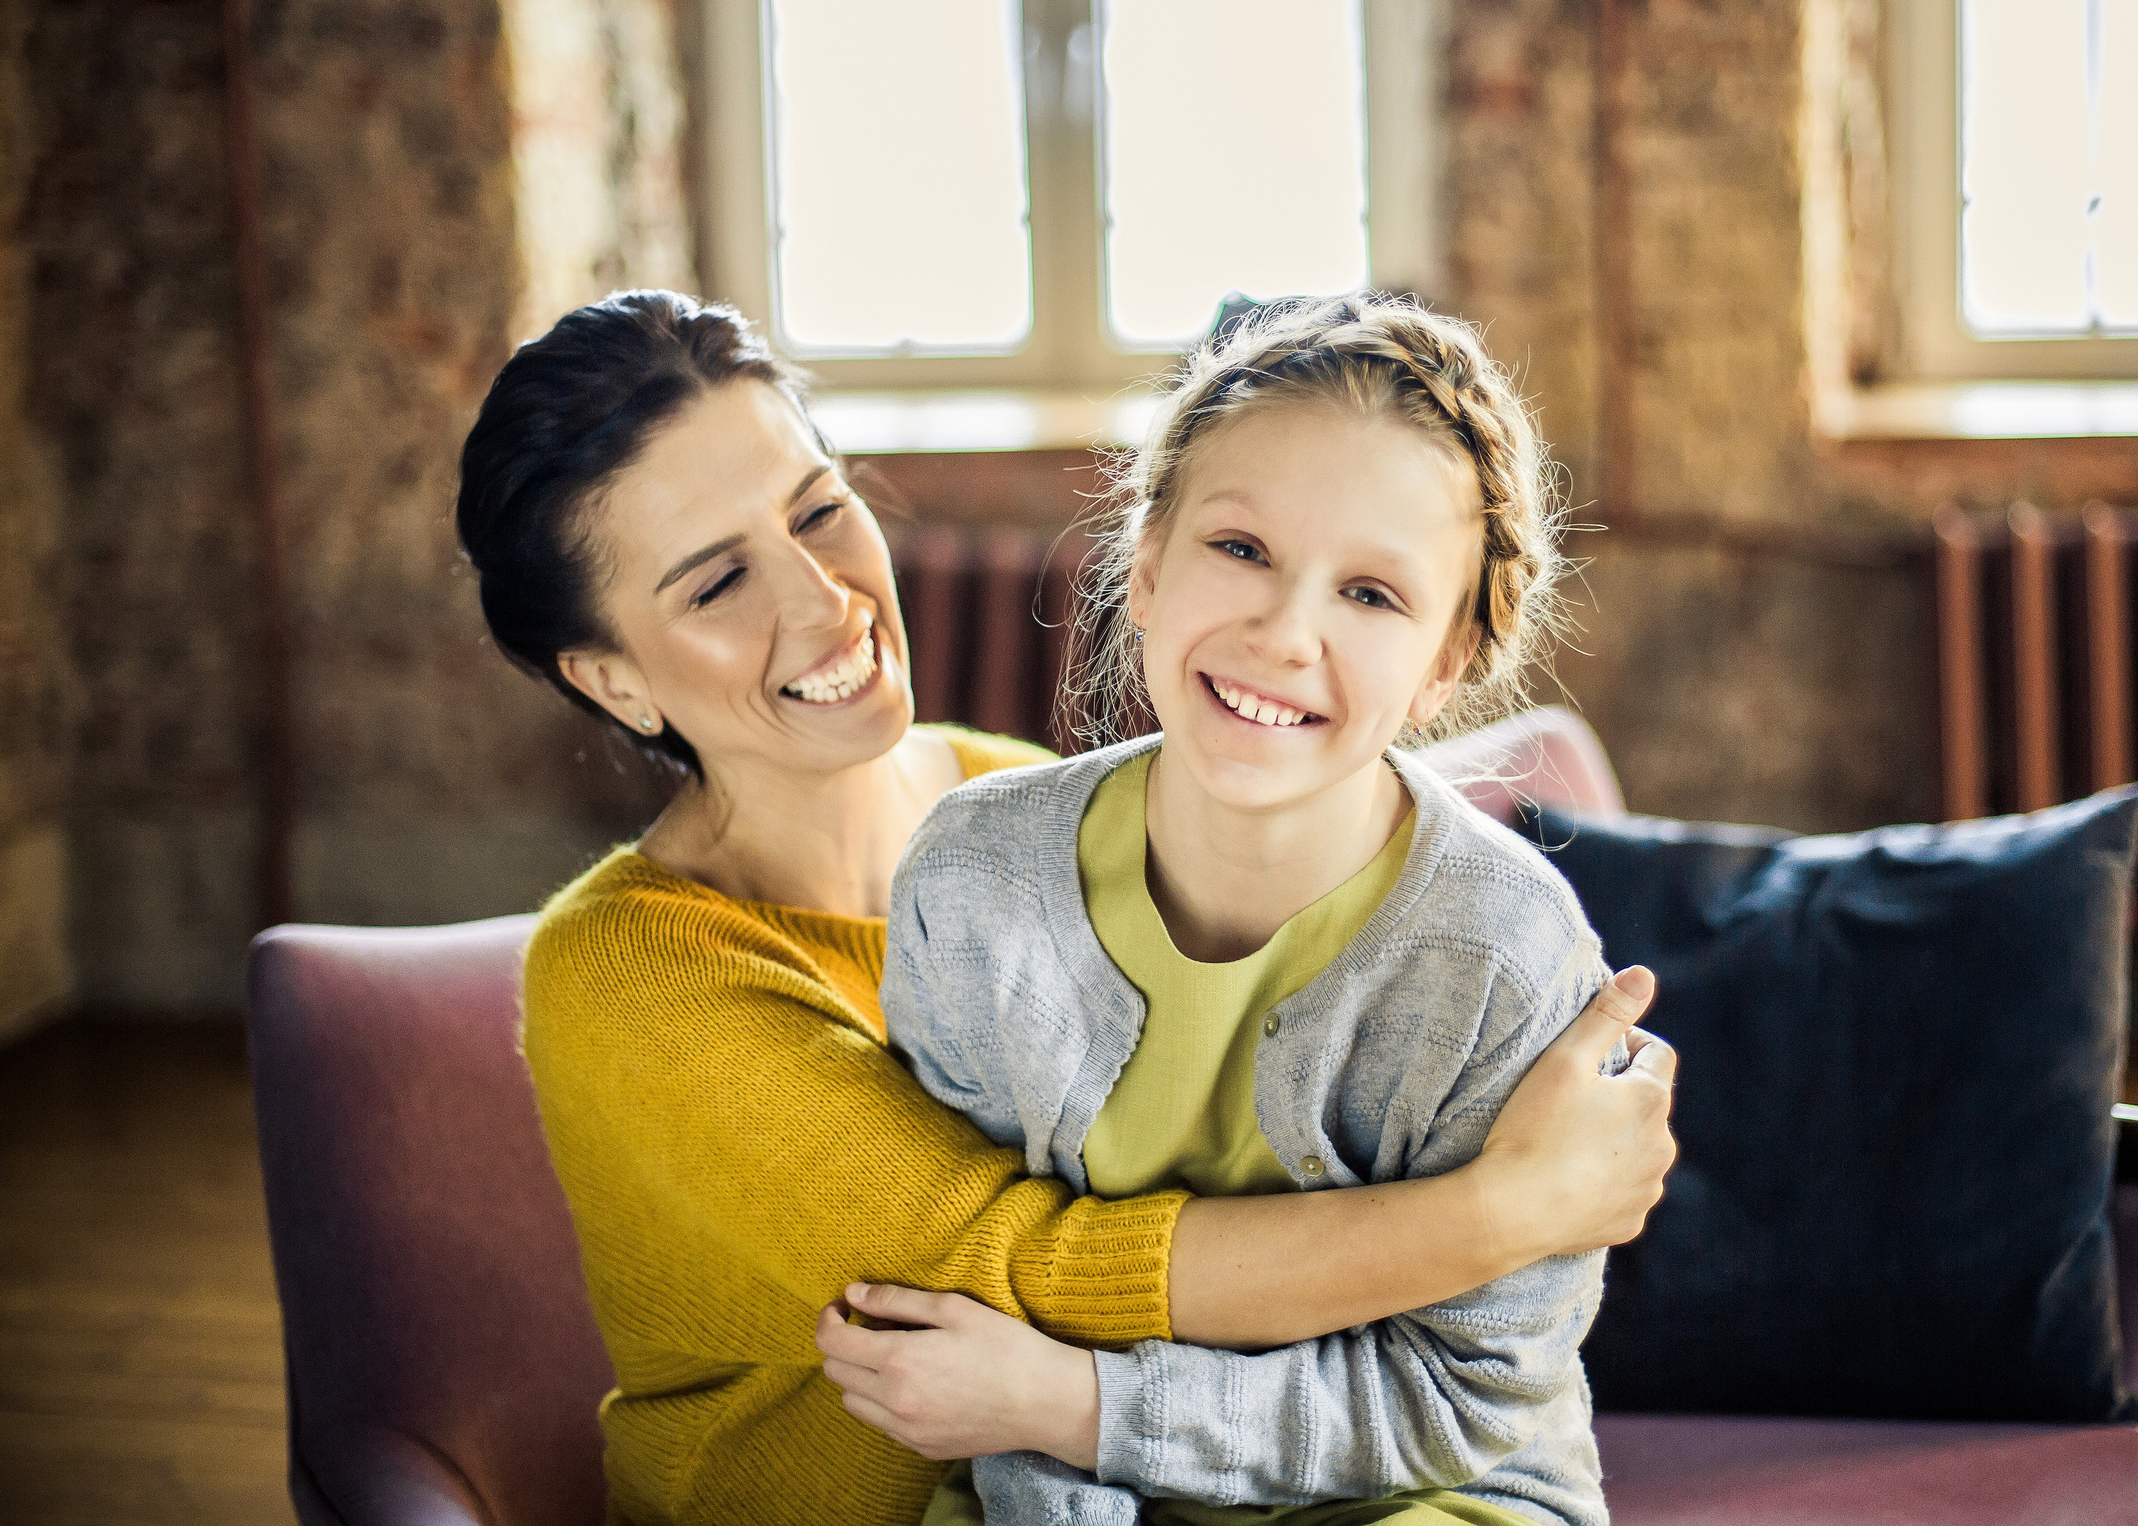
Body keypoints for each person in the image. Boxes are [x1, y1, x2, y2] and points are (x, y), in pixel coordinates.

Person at [452, 290, 1678, 1526]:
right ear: (612, 675)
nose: (825, 600)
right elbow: (1025, 1274)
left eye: (820, 510)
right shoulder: (629, 971)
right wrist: (1500, 1212)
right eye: (717, 583)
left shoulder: (1020, 812)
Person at [876, 294, 1610, 1525]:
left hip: (1428, 1497)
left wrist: (1081, 1406)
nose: (1282, 632)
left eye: (1370, 595)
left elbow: (1461, 1399)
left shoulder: (1506, 958)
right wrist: (1054, 1432)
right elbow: (978, 1290)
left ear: (1444, 666)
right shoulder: (975, 882)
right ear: (1147, 567)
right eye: (1242, 550)